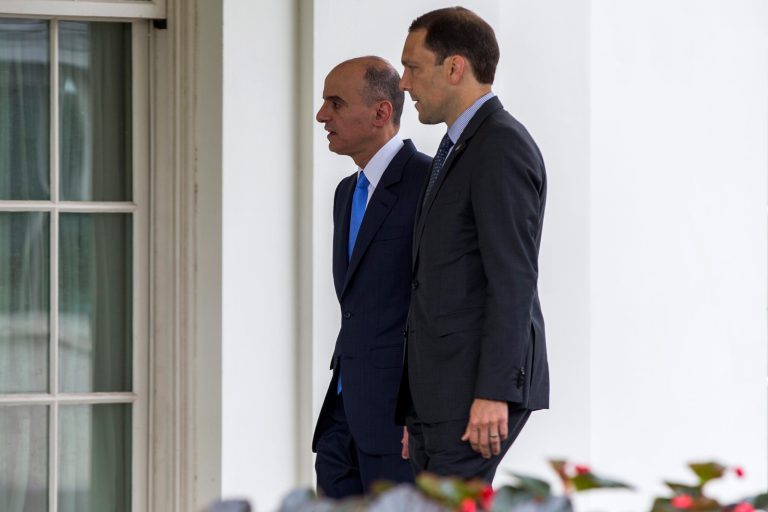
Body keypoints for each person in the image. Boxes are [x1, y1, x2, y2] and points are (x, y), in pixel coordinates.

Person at [395, 7, 550, 482]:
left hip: (472, 394)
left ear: (455, 67)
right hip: (439, 397)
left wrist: (494, 392)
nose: (403, 83)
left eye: (412, 67)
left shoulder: (500, 145)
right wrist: (415, 407)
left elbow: (513, 278)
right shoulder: (457, 147)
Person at [312, 56, 431, 498]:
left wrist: (418, 414)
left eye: (335, 103)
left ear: (382, 112)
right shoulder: (346, 192)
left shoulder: (429, 183)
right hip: (341, 421)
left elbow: (434, 306)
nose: (322, 115)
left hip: (397, 427)